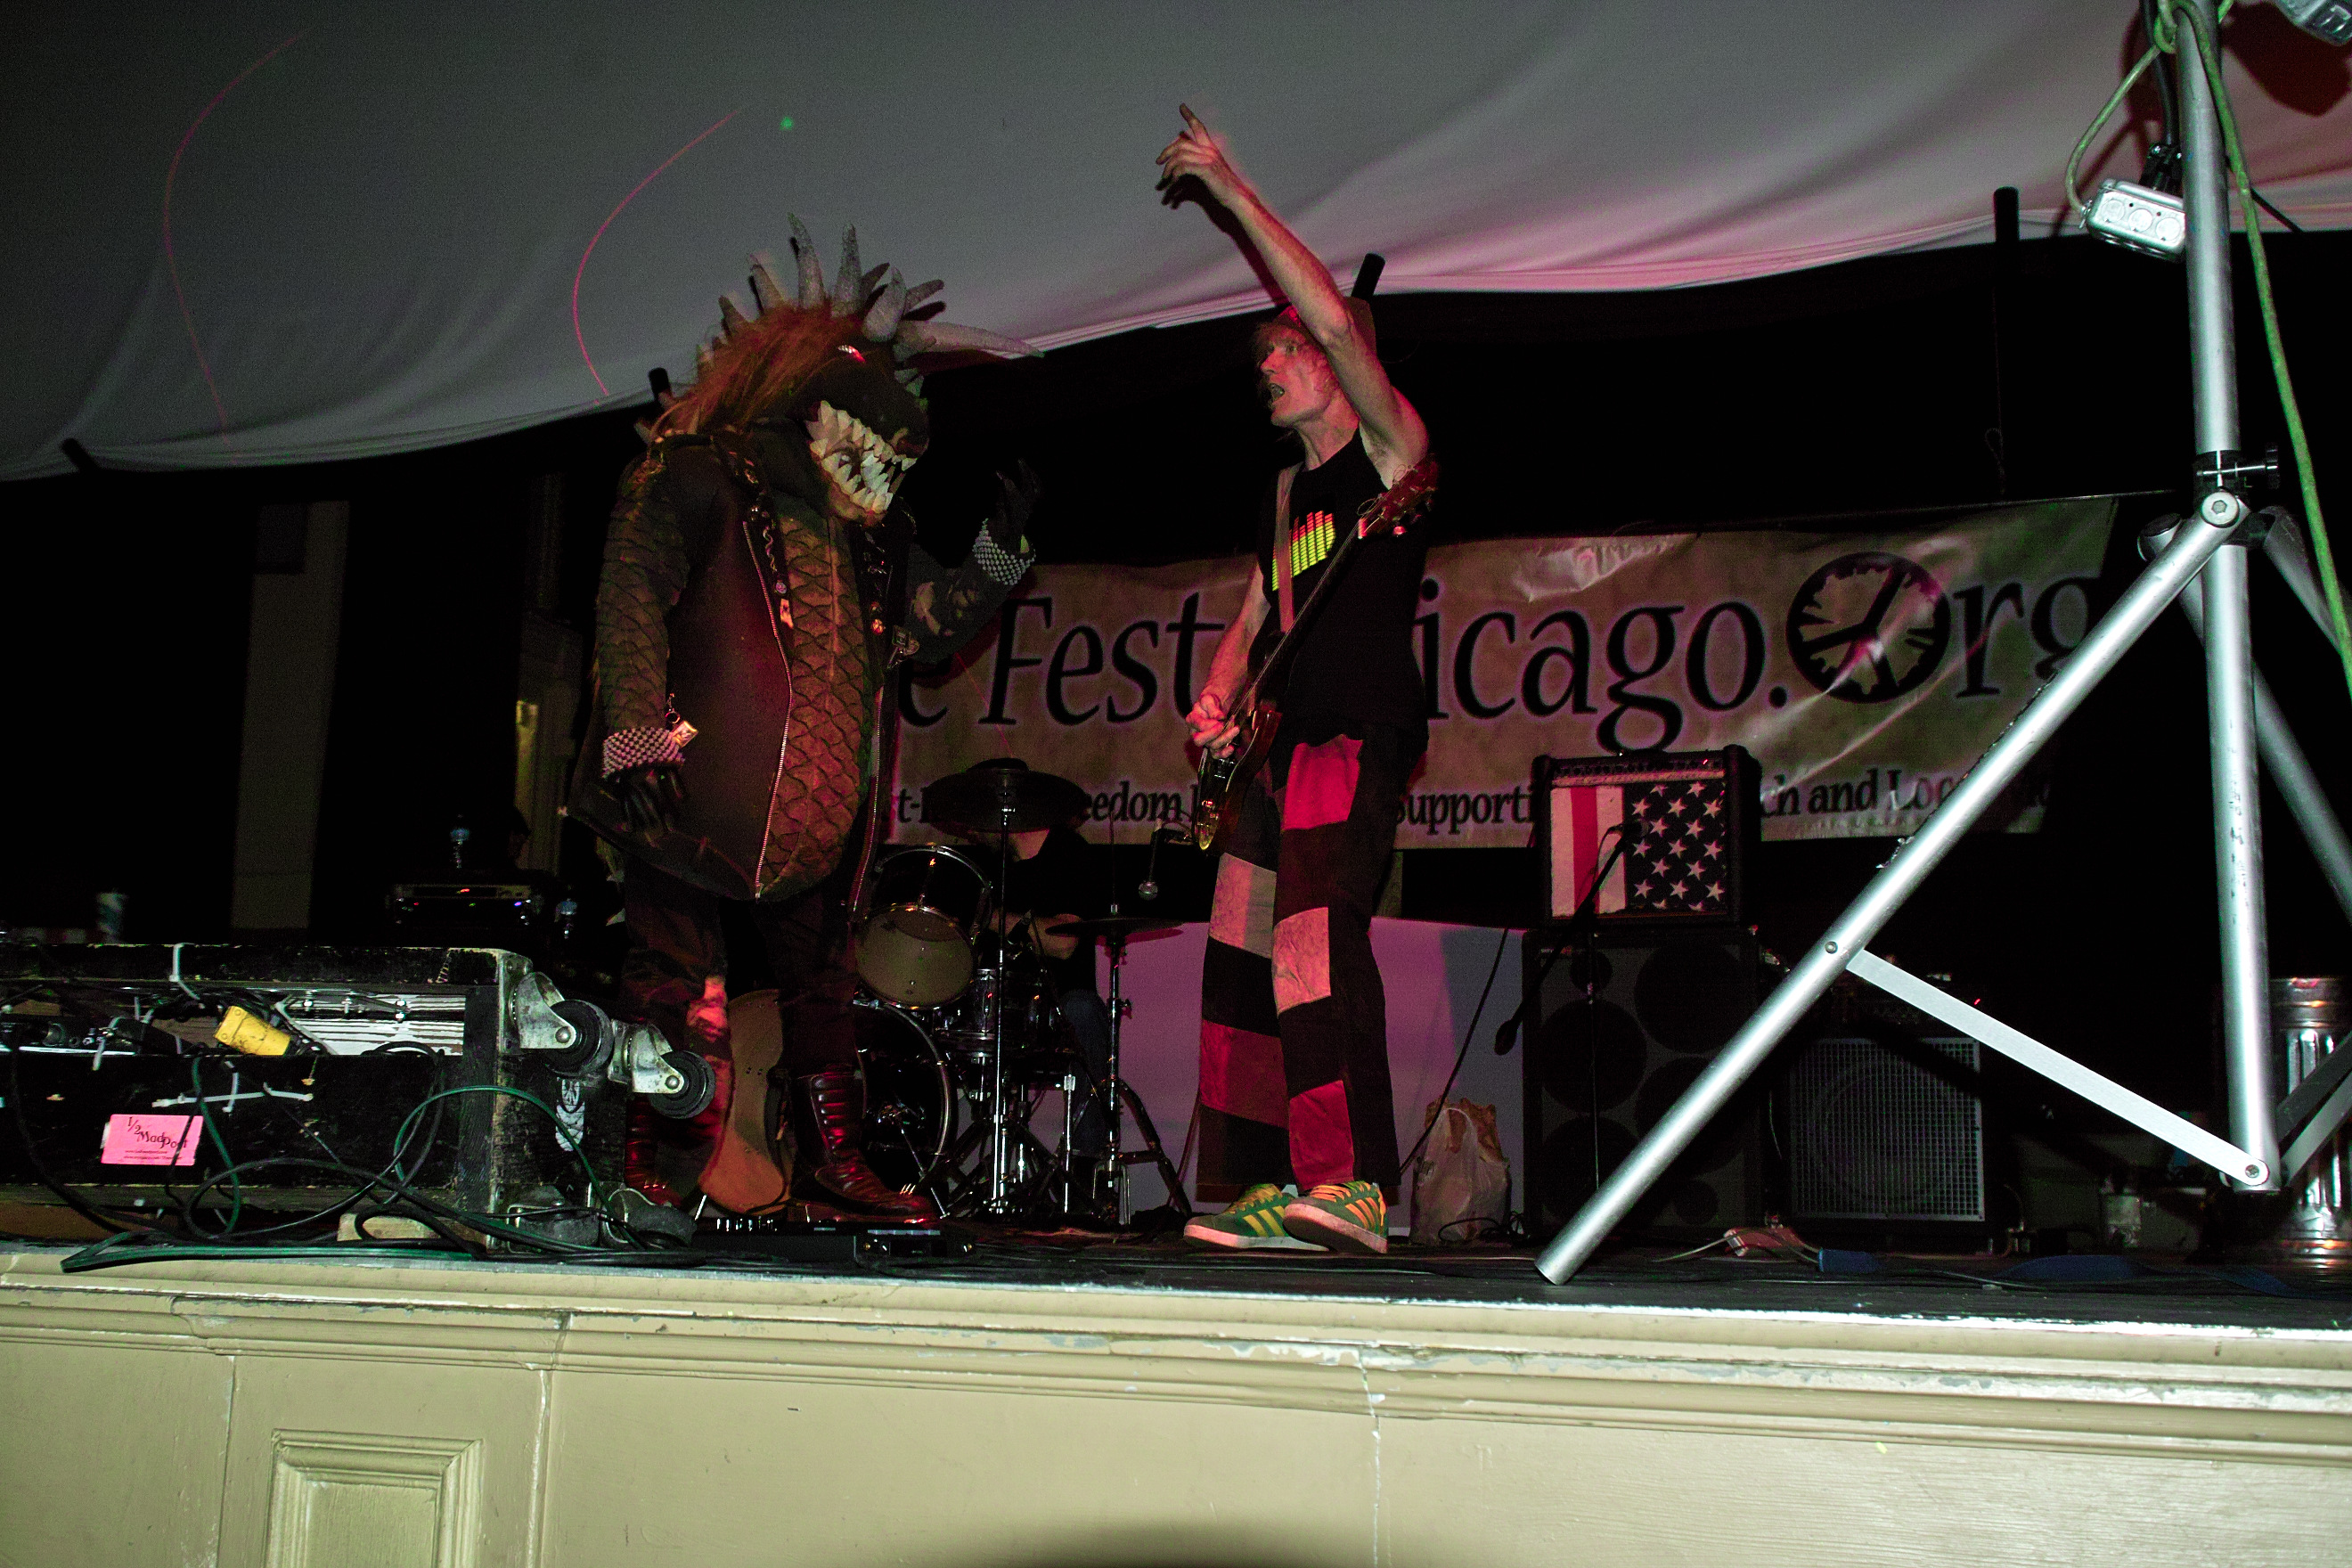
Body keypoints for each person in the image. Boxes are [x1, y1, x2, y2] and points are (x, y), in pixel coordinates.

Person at [573, 220, 1039, 1221]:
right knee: (670, 977)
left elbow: (926, 628)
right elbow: (630, 594)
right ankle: (645, 1160)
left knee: (823, 991)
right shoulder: (700, 476)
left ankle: (835, 1162)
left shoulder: (873, 542)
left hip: (816, 817)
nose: (885, 485)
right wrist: (637, 738)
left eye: (900, 467)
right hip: (690, 790)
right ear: (816, 413)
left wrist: (999, 557)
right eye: (872, 455)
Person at [1157, 107, 1439, 1254]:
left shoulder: (1391, 449)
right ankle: (1268, 1180)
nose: (1267, 367)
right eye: (1265, 358)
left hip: (1355, 729)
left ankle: (1352, 1180)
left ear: (1337, 357)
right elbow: (1254, 615)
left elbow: (1323, 304)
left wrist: (1230, 190)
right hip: (1280, 741)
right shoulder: (1288, 495)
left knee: (1316, 939)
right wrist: (1215, 699)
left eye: (1283, 351)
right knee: (1245, 955)